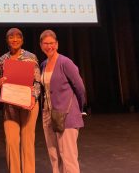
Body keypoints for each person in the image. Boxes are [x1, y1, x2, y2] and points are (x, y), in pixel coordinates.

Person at [39, 29, 86, 173]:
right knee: (54, 156)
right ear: (41, 45)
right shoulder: (43, 65)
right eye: (46, 43)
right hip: (48, 114)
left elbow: (80, 87)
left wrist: (78, 109)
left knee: (68, 157)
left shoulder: (65, 62)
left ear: (57, 44)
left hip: (66, 115)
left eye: (52, 43)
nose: (49, 46)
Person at [0, 28, 41, 173]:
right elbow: (3, 81)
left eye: (17, 37)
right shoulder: (2, 59)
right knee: (11, 142)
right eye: (11, 37)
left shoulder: (31, 57)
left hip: (29, 103)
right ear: (7, 40)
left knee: (27, 141)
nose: (14, 40)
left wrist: (33, 97)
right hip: (10, 106)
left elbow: (37, 82)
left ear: (22, 40)